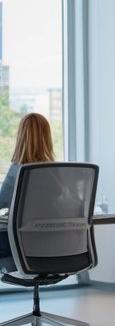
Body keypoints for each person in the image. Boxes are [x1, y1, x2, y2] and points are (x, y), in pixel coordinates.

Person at [0, 113, 57, 265]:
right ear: (47, 137)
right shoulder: (58, 173)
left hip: (20, 246)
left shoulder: (17, 171)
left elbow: (1, 202)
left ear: (20, 138)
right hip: (54, 246)